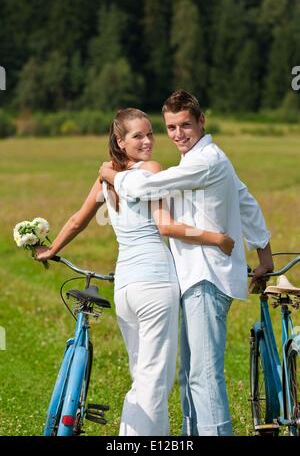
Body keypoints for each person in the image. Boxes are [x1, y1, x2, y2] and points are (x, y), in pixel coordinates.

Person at [35, 107, 234, 436]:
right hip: (155, 285)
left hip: (126, 289)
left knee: (143, 375)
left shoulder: (107, 176)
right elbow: (164, 225)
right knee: (153, 382)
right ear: (120, 140)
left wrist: (53, 249)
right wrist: (217, 239)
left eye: (150, 133)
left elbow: (78, 220)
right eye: (138, 135)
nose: (148, 141)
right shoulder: (149, 169)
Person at [99, 92, 274, 436]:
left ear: (201, 122)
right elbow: (246, 201)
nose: (177, 134)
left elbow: (147, 185)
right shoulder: (205, 158)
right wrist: (264, 256)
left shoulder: (204, 162)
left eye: (185, 125)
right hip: (196, 278)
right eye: (171, 127)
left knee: (203, 375)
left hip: (206, 277)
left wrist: (110, 173)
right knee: (190, 374)